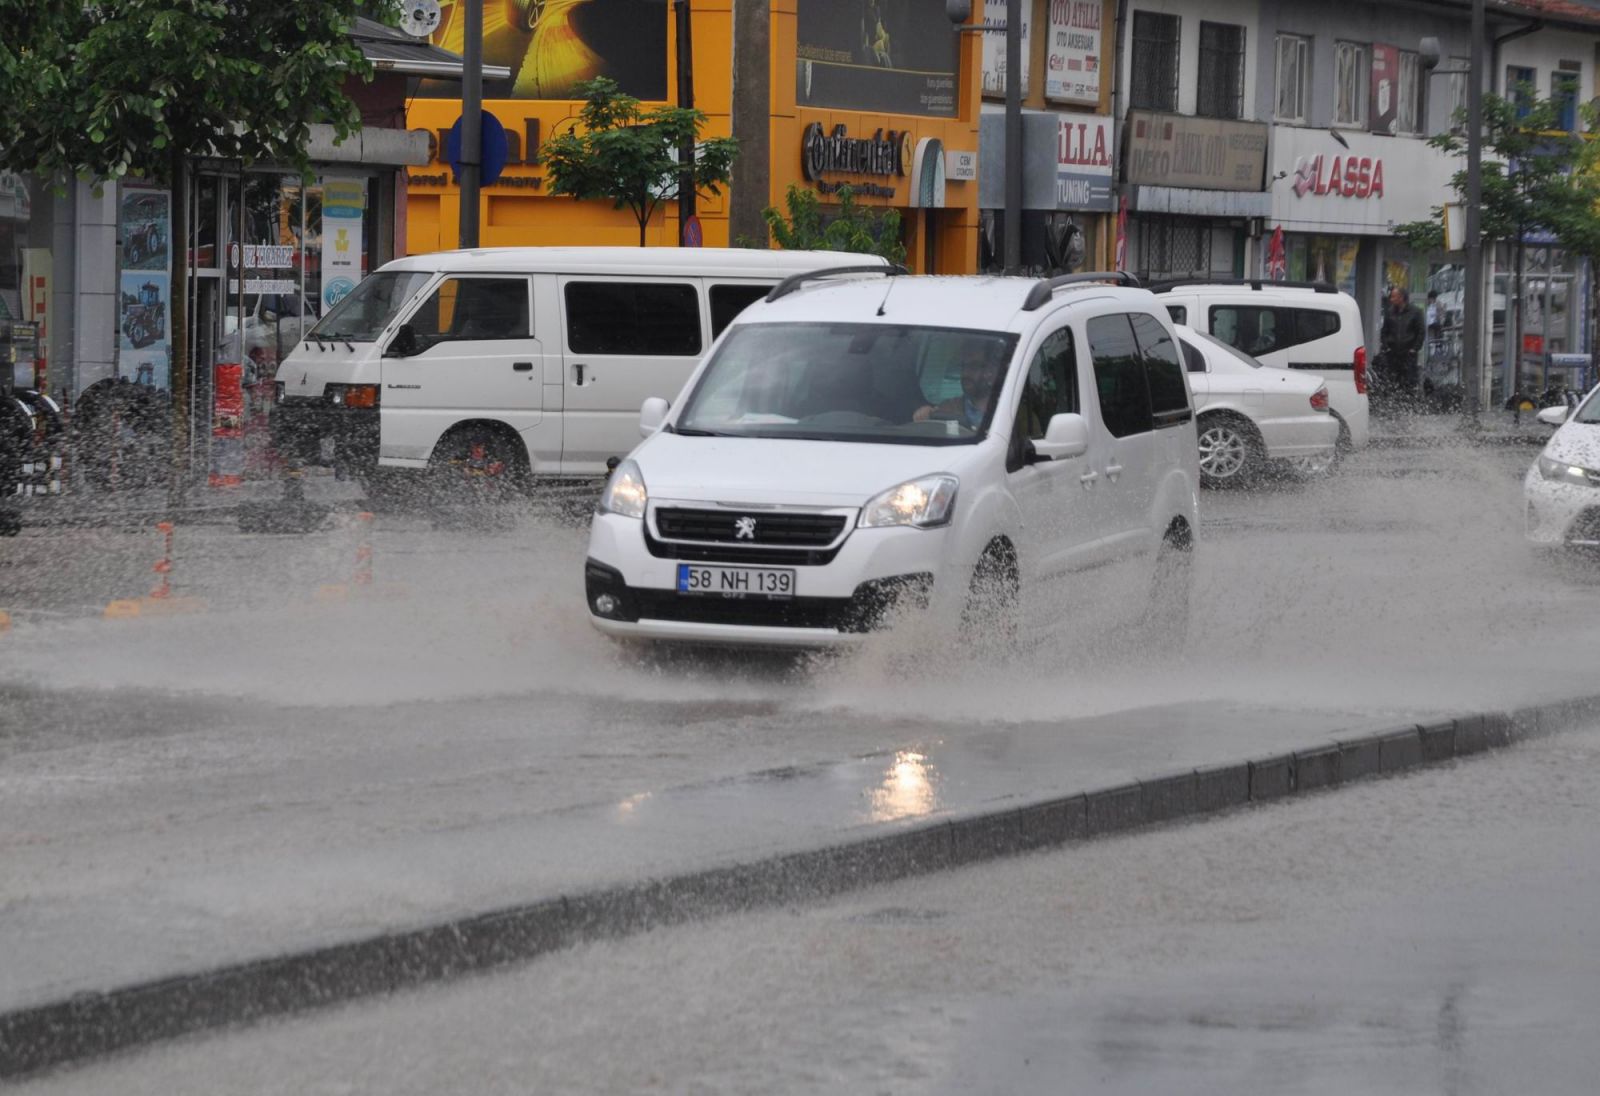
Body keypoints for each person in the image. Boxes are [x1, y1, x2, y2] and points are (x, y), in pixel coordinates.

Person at [914, 341, 1004, 428]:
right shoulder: (948, 409)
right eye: (963, 366)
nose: (965, 373)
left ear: (992, 371)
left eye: (974, 366)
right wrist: (926, 415)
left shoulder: (1007, 409)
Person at [1379, 286, 1425, 411]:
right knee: (1393, 380)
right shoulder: (1390, 313)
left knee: (1409, 380)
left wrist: (1414, 349)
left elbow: (1421, 332)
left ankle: (1409, 407)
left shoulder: (1415, 312)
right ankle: (1394, 406)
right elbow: (1384, 331)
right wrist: (1386, 347)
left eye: (1394, 296)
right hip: (1393, 353)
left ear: (1401, 298)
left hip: (1408, 353)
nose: (1391, 299)